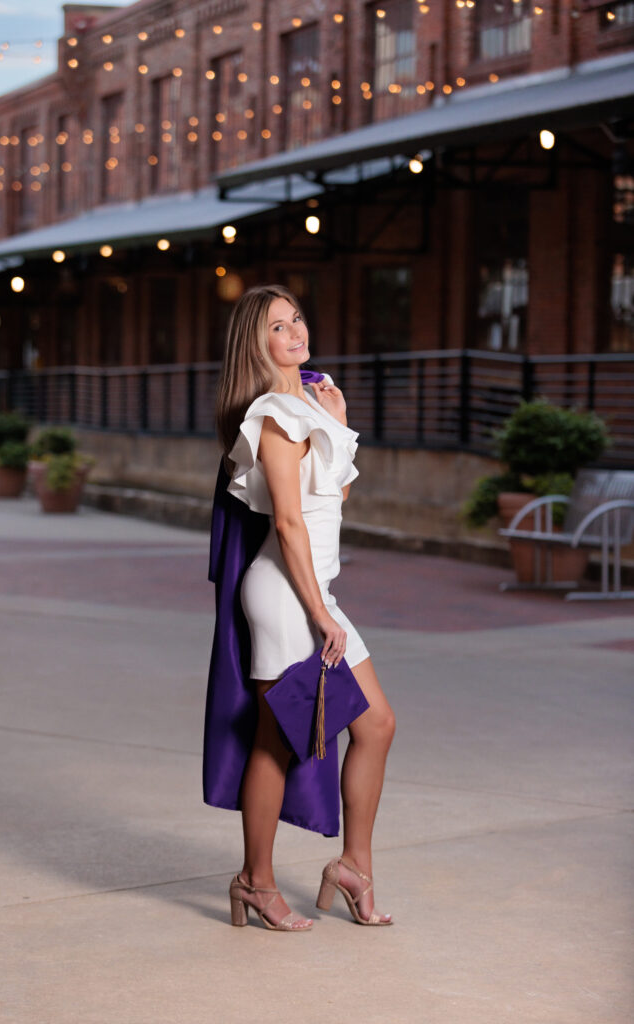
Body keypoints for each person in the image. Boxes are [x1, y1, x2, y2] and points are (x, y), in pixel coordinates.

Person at [204, 283, 396, 931]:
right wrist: (320, 614)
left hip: (312, 587)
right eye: (278, 328)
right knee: (276, 741)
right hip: (287, 594)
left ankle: (353, 869)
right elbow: (286, 522)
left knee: (376, 726)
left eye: (297, 321)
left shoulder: (307, 404)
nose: (295, 335)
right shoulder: (273, 413)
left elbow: (327, 506)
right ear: (256, 345)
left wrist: (337, 425)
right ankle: (255, 882)